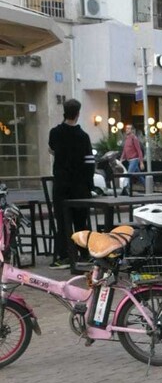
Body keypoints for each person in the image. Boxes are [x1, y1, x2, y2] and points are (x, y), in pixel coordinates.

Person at [48, 99, 95, 269]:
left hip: (61, 184)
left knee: (62, 221)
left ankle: (65, 256)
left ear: (64, 112)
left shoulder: (55, 133)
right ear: (78, 114)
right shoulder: (83, 136)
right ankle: (84, 253)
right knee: (81, 221)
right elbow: (89, 162)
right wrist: (89, 185)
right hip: (80, 186)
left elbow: (51, 149)